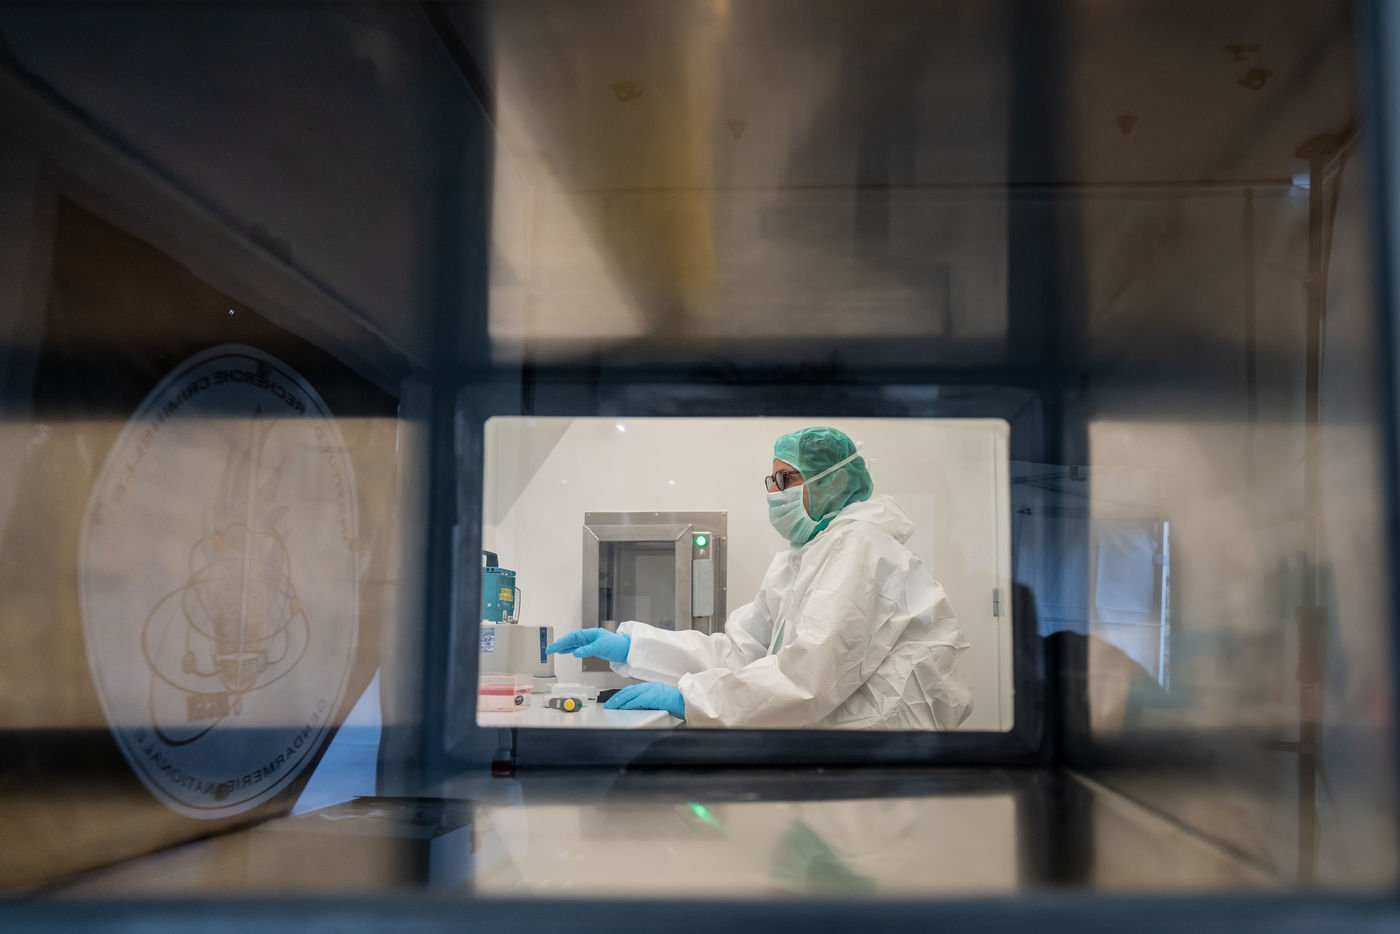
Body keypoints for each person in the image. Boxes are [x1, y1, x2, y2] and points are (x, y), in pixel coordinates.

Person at [546, 427, 972, 729]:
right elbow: (740, 653)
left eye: (786, 478)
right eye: (772, 480)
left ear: (833, 481)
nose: (774, 492)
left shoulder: (861, 546)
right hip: (834, 751)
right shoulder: (801, 559)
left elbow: (807, 677)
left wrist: (688, 699)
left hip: (878, 755)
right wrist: (633, 644)